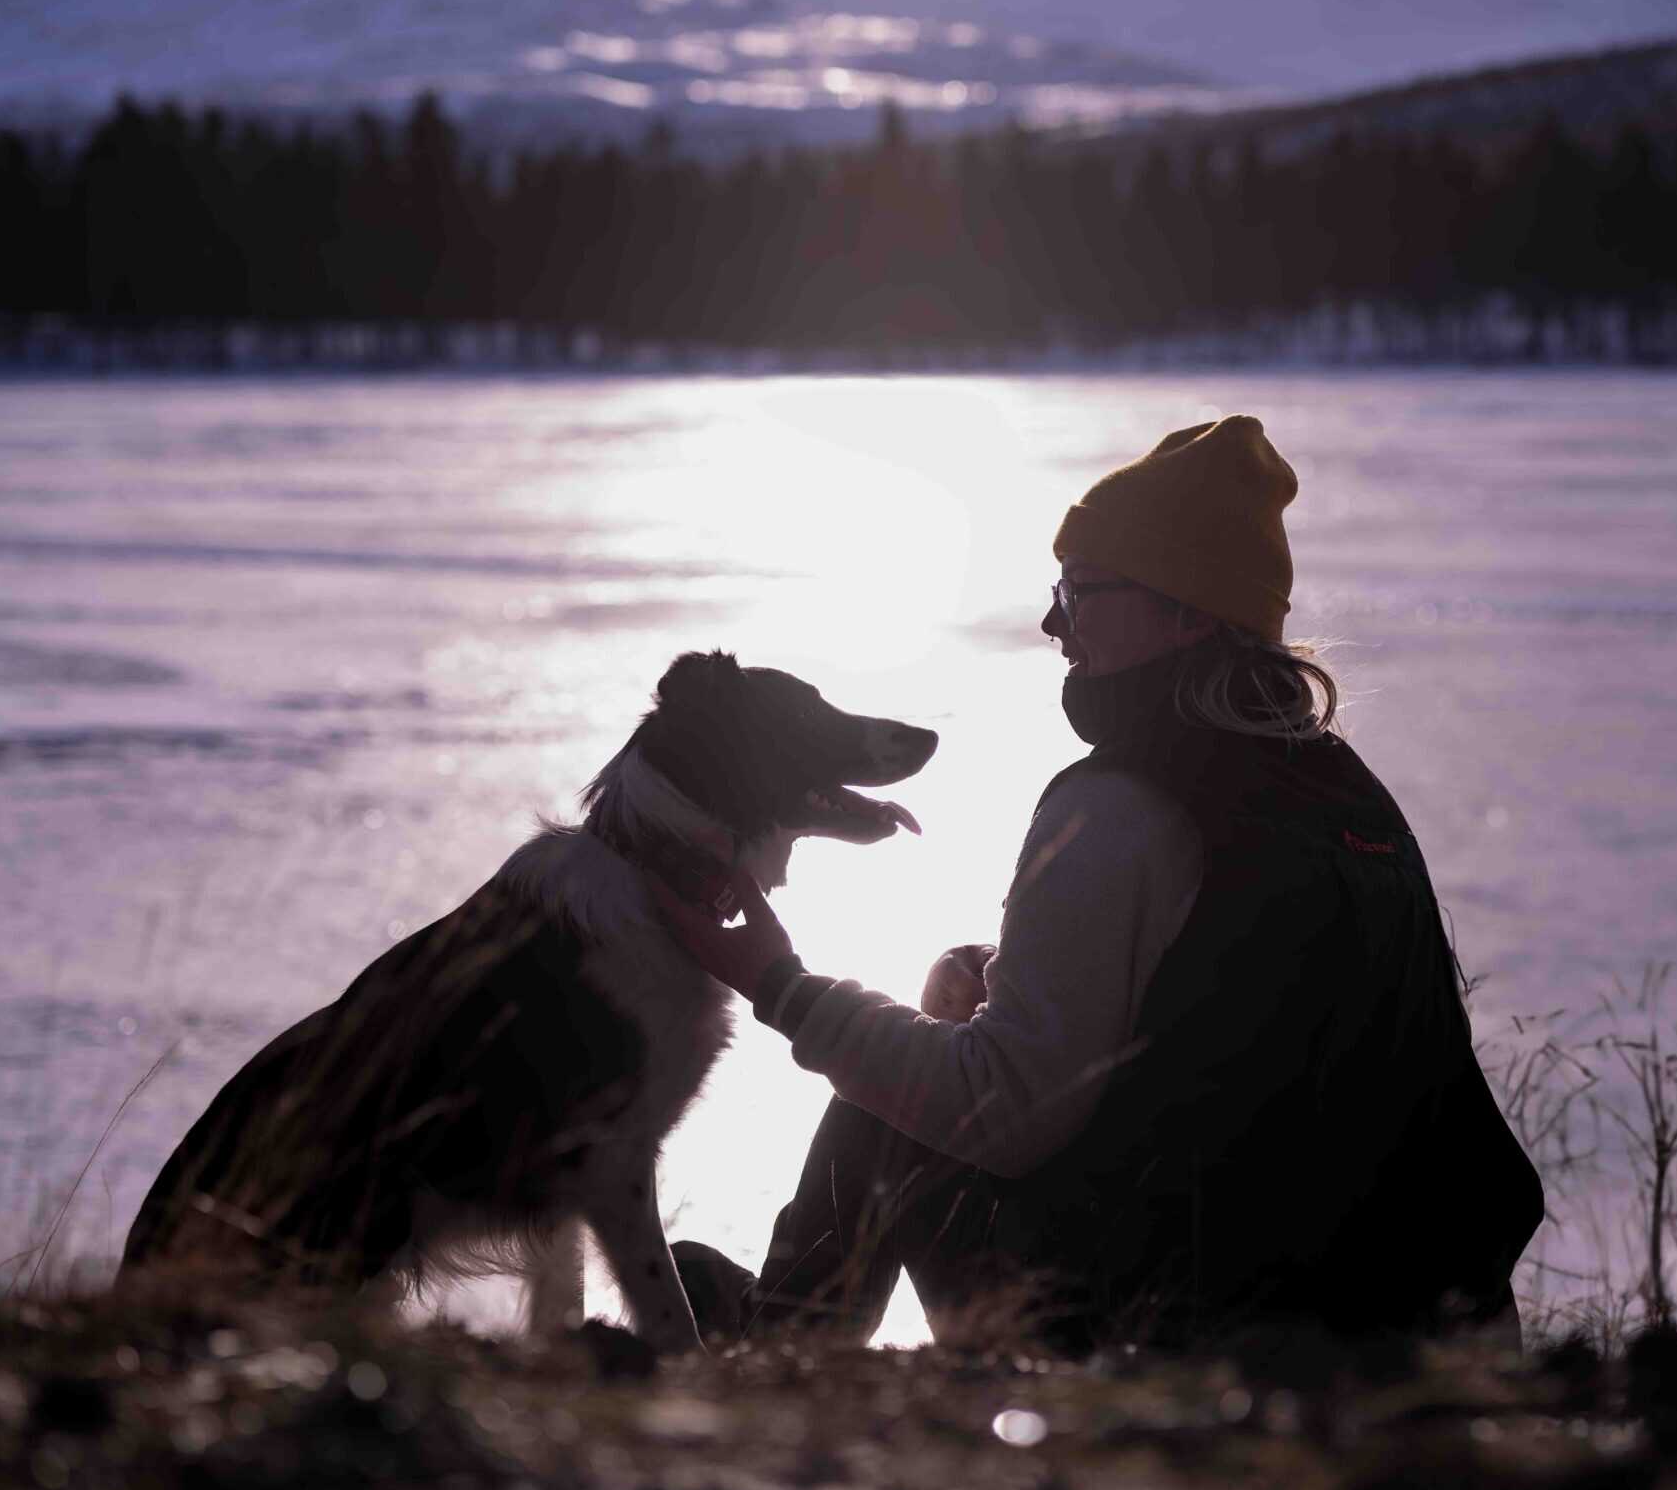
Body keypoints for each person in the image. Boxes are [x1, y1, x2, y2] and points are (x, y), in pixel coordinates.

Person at [653, 416, 1542, 1350]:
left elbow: (999, 1113)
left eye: (1080, 593)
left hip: (1202, 1339)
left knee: (887, 1107)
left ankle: (776, 1354)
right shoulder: (1345, 796)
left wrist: (779, 984)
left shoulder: (1118, 804)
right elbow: (1257, 1040)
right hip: (1432, 1327)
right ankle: (776, 1332)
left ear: (1185, 610)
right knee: (951, 1012)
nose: (1052, 623)